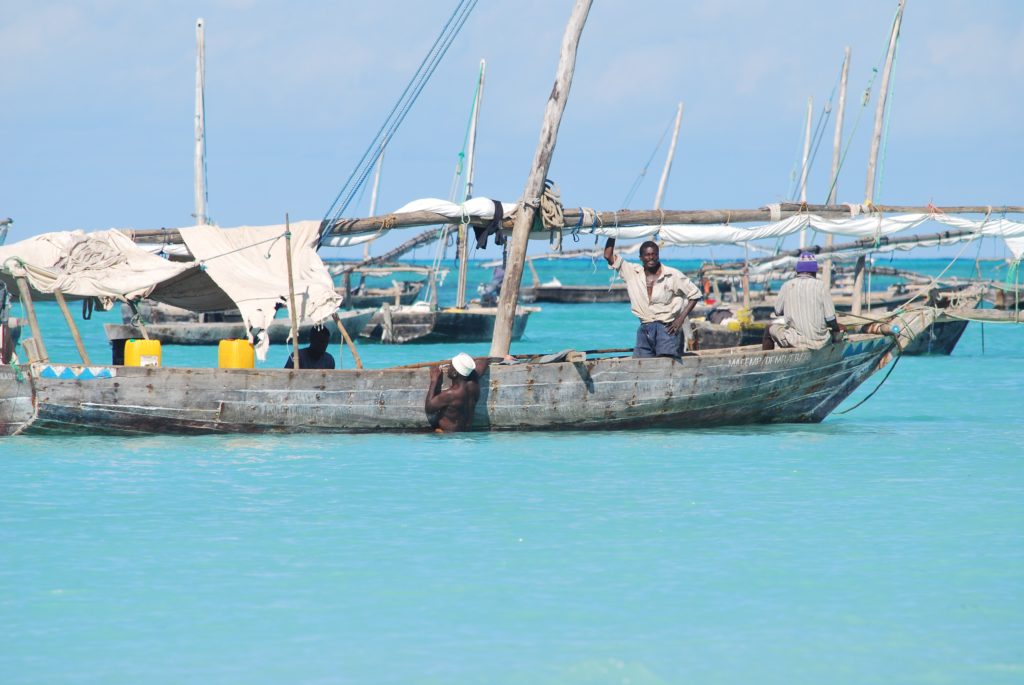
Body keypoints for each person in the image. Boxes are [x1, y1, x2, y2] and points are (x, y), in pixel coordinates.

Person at [603, 237, 702, 357]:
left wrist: (679, 320)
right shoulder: (632, 272)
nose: (651, 257)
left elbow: (695, 294)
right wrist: (613, 233)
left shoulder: (672, 275)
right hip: (644, 328)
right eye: (647, 255)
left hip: (666, 328)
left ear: (658, 255)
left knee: (667, 364)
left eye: (654, 254)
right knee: (641, 365)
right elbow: (608, 255)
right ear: (641, 257)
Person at [763, 252, 845, 350]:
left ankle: (765, 361)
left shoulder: (786, 286)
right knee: (838, 328)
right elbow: (831, 319)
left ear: (797, 271)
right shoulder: (821, 286)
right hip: (820, 342)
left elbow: (777, 312)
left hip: (794, 340)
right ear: (814, 271)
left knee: (768, 329)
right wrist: (836, 329)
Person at [425, 352, 489, 433]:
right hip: (467, 432)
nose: (448, 367)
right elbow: (484, 361)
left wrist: (434, 380)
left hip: (448, 435)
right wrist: (467, 362)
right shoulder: (474, 384)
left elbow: (429, 408)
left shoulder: (451, 394)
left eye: (450, 366)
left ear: (454, 373)